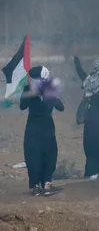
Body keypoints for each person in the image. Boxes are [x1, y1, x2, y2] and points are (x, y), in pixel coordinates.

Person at [20, 66, 64, 196]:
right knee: (49, 153)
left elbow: (23, 106)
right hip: (46, 126)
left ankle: (35, 186)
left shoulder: (28, 88)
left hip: (32, 125)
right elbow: (60, 107)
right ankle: (47, 184)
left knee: (33, 154)